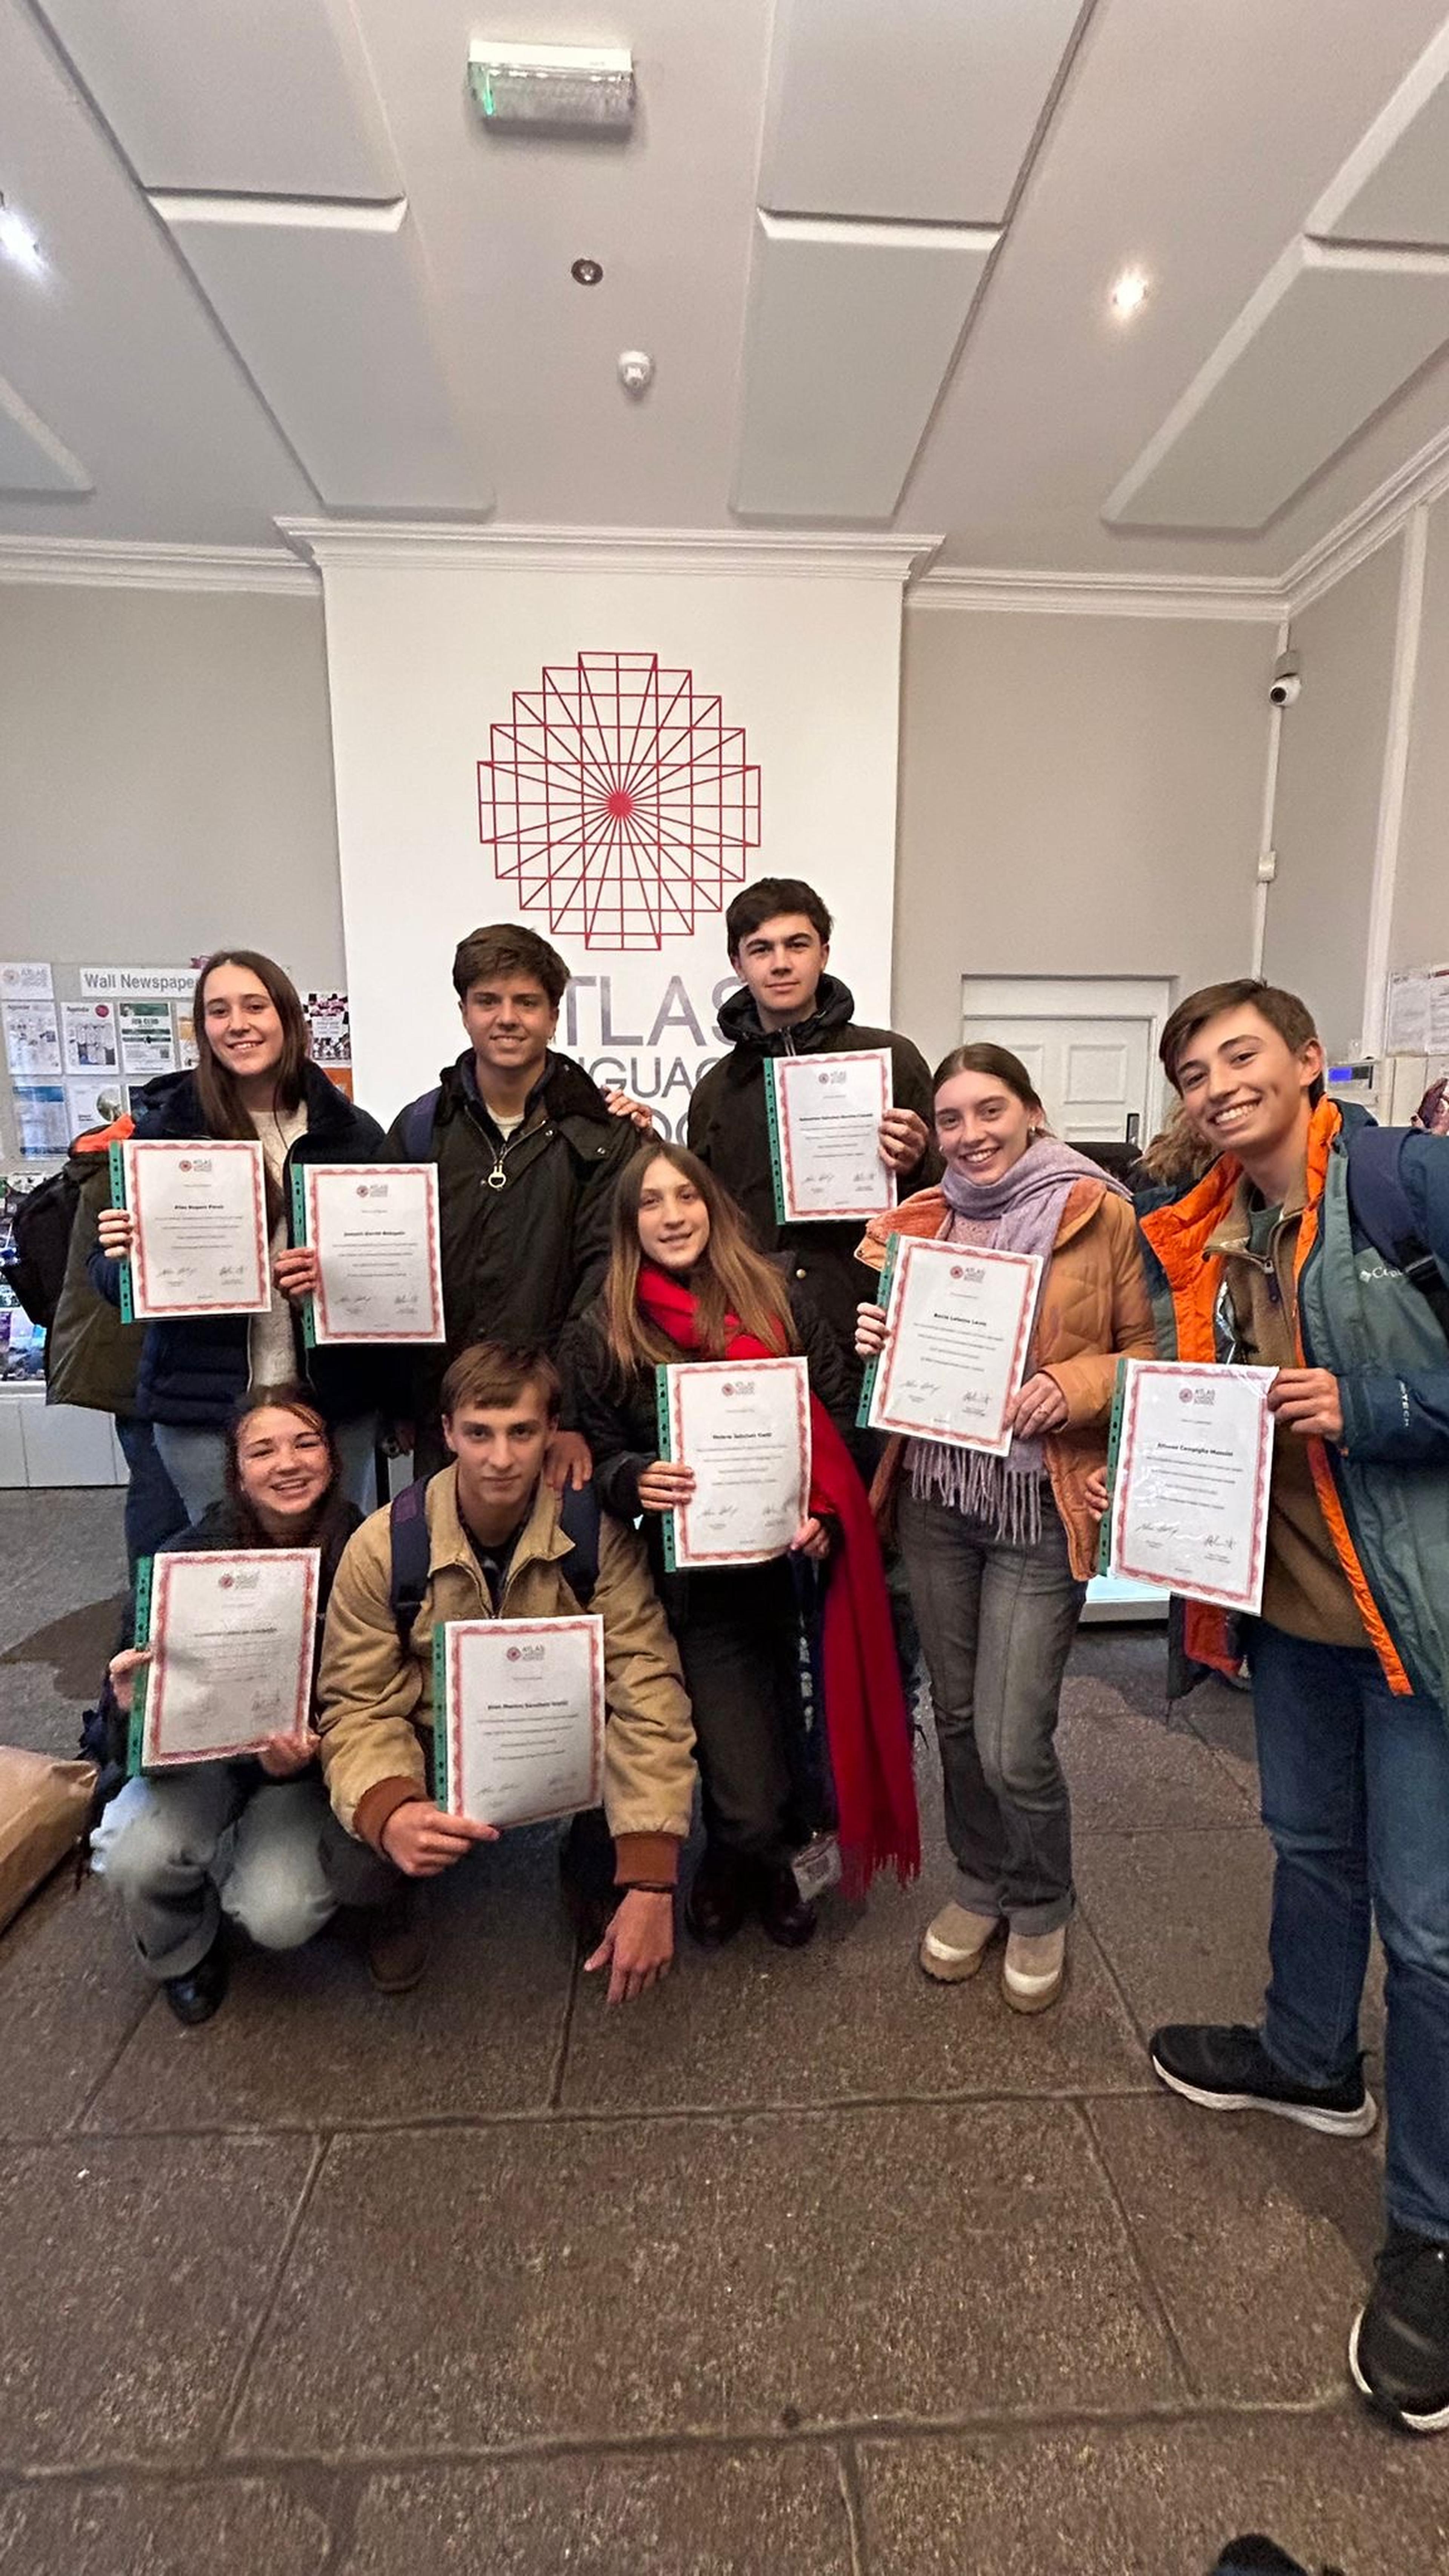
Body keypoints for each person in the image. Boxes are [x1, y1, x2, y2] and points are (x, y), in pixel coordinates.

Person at [1124, 977, 1449, 2438]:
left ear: (1313, 1062)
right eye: (1195, 1067)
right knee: (1311, 1844)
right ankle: (1313, 2055)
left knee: (1434, 1929)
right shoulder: (1208, 1234)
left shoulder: (1405, 1178)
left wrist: (1382, 1409)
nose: (1216, 1081)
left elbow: (1372, 1399)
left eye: (1241, 1053)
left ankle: (1435, 2235)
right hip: (1302, 1617)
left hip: (1419, 1622)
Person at [854, 1043, 1154, 2014]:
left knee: (1010, 1738)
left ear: (1030, 1110)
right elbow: (906, 1363)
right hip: (938, 1500)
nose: (971, 1134)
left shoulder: (1094, 1209)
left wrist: (1072, 1385)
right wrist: (879, 1341)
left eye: (990, 1111)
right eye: (950, 1121)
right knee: (950, 1715)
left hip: (1035, 1501)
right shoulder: (921, 1222)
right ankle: (979, 1882)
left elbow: (1147, 1351)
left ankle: (1041, 1898)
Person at [560, 1144, 918, 1948]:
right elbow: (594, 1445)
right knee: (746, 1766)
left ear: (715, 1205)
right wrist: (631, 1476)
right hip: (702, 1583)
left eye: (687, 1195)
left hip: (804, 1562)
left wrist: (829, 1509)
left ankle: (765, 1858)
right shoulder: (606, 1328)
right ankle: (741, 1844)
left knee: (810, 1742)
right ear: (629, 1224)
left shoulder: (777, 1298)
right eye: (651, 1202)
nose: (673, 1214)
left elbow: (842, 1409)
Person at [315, 1341, 698, 2004]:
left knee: (644, 1797)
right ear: (446, 1433)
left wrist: (652, 1879)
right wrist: (392, 1809)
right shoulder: (384, 1546)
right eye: (479, 1433)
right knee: (356, 1852)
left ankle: (592, 1867)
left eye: (522, 1432)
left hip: (564, 1735)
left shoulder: (597, 1534)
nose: (500, 1457)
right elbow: (357, 1703)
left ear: (553, 1430)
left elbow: (647, 1684)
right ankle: (394, 1898)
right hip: (434, 1737)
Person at [91, 1387, 389, 2024]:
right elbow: (122, 1744)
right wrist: (129, 1708)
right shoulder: (181, 1562)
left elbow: (386, 1702)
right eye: (263, 1449)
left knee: (277, 1912)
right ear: (237, 1472)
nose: (287, 1462)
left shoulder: (370, 1557)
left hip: (299, 1776)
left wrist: (309, 1758)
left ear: (333, 1458)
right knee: (133, 1853)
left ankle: (259, 1863)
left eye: (306, 1442)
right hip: (200, 1768)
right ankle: (181, 1950)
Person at [92, 950, 399, 1521]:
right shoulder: (167, 1132)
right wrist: (125, 1255)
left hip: (332, 1404)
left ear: (287, 1016)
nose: (238, 1024)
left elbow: (389, 1274)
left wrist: (337, 1276)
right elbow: (109, 1281)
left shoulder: (352, 1132)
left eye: (255, 1005)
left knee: (336, 1565)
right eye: (218, 1010)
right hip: (206, 1406)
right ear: (203, 1028)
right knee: (230, 1577)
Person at [384, 923, 639, 1476]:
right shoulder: (420, 1127)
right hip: (448, 1419)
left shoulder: (603, 1133)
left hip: (553, 1421)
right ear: (464, 1011)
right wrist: (405, 1402)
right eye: (488, 1001)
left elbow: (606, 1282)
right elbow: (395, 1273)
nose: (507, 1017)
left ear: (552, 1016)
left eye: (527, 1002)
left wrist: (568, 1414)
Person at [681, 877, 940, 1370]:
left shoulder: (892, 1059)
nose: (780, 962)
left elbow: (949, 1200)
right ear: (738, 964)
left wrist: (918, 1161)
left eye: (797, 944)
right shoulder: (717, 1090)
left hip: (870, 1326)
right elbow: (711, 1223)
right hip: (760, 1328)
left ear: (823, 953)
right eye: (761, 948)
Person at [42, 1106, 184, 1569]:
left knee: (160, 1496)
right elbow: (103, 1271)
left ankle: (151, 1617)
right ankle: (147, 1623)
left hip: (137, 1359)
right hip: (143, 1361)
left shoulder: (115, 1152)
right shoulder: (138, 1161)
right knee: (164, 1504)